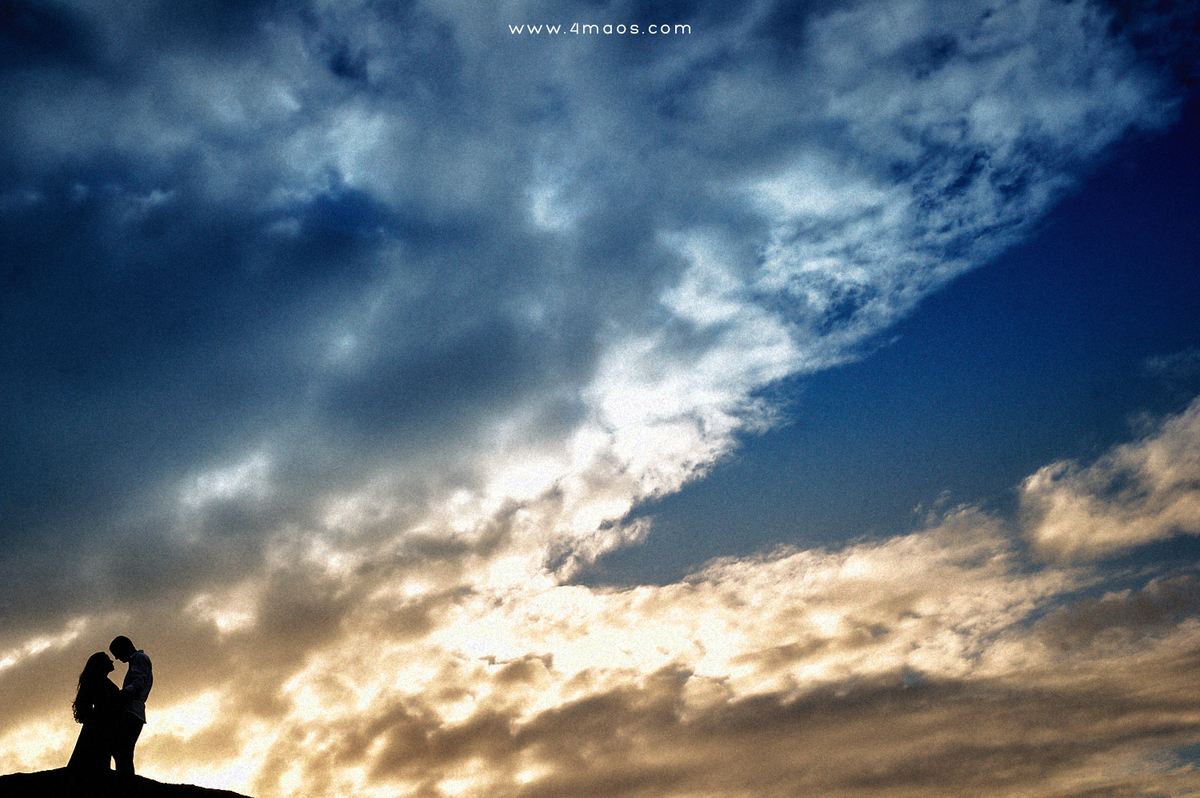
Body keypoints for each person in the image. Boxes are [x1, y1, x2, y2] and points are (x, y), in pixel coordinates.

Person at [67, 652, 120, 772]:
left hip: (102, 723)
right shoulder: (98, 682)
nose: (112, 661)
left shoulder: (101, 681)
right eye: (108, 660)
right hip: (100, 724)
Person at [109, 636, 153, 777]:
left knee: (122, 750)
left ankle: (126, 781)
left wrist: (120, 695)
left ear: (124, 648)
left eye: (116, 653)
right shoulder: (137, 660)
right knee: (123, 750)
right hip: (133, 711)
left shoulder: (139, 658)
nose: (116, 658)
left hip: (132, 711)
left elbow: (138, 684)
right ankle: (126, 779)